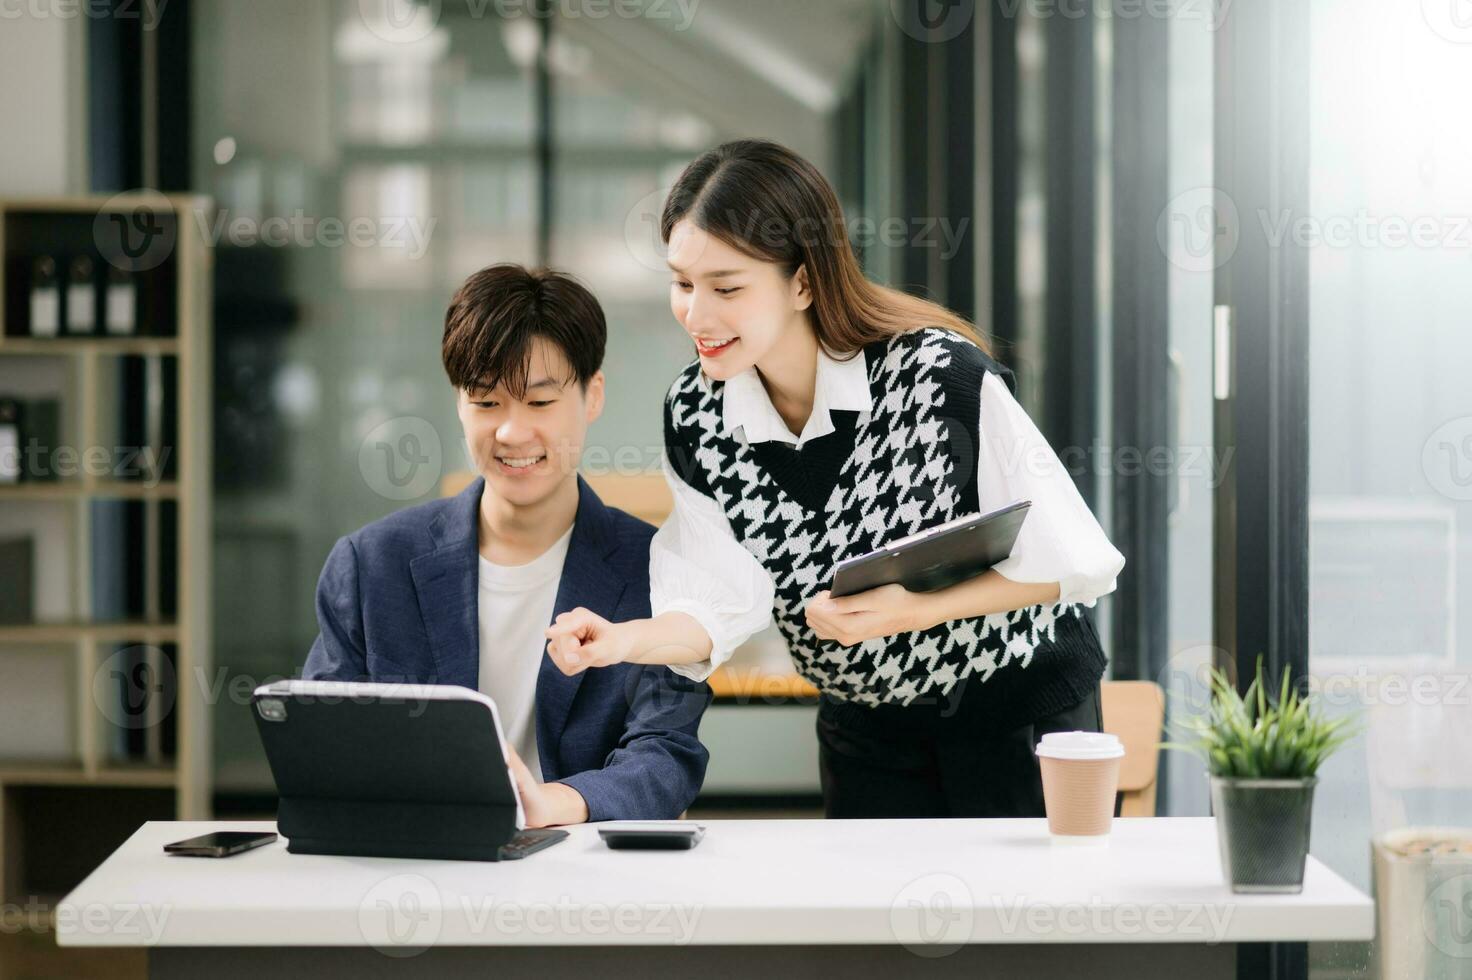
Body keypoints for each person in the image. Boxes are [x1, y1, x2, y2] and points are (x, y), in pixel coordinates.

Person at [544, 140, 1125, 819]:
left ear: (803, 281)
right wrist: (623, 641)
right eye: (682, 283)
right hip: (866, 734)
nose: (696, 315)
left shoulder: (938, 377)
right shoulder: (697, 413)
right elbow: (714, 598)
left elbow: (1079, 560)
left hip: (1019, 716)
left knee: (1030, 923)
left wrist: (918, 609)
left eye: (727, 287)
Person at [303, 263, 711, 827]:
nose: (512, 433)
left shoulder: (661, 570)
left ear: (593, 396)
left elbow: (665, 754)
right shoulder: (372, 566)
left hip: (585, 875)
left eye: (540, 403)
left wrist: (552, 805)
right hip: (418, 866)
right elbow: (324, 747)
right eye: (487, 402)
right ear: (458, 402)